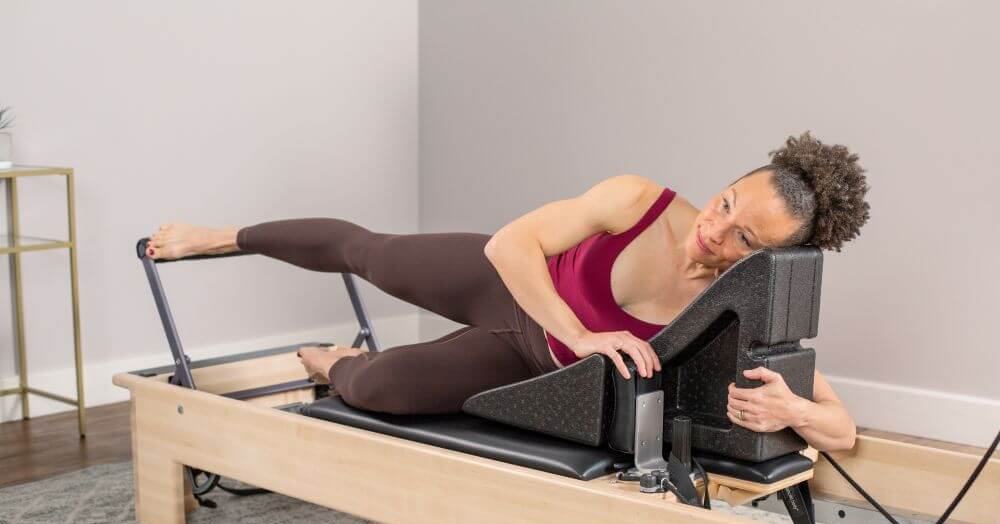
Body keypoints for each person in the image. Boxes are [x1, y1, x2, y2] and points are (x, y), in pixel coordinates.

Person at [145, 131, 868, 451]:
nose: (717, 232)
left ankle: (325, 358)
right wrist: (583, 335)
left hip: (526, 368)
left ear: (772, 259)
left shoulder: (732, 308)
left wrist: (793, 407)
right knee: (367, 251)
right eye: (726, 204)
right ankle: (222, 234)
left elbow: (845, 428)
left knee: (383, 386)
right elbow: (508, 244)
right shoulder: (638, 199)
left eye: (746, 239)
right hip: (506, 288)